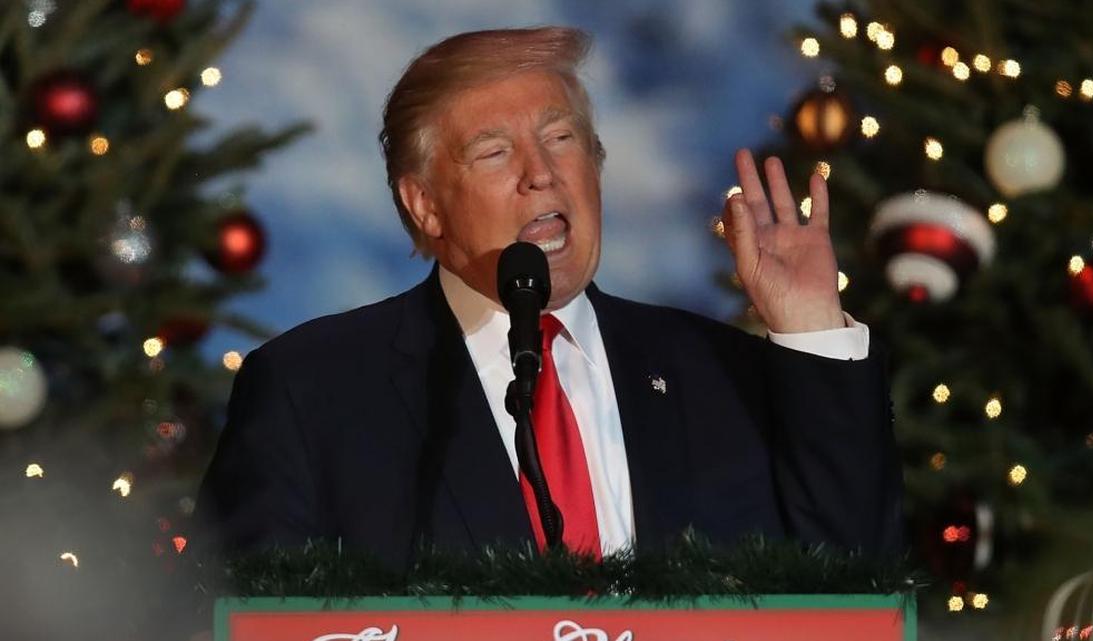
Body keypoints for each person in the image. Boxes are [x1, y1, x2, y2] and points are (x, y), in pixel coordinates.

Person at [194, 27, 902, 568]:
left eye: (562, 138)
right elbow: (251, 618)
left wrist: (811, 330)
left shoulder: (718, 374)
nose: (542, 174)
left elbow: (848, 585)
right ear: (426, 206)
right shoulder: (311, 391)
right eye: (496, 153)